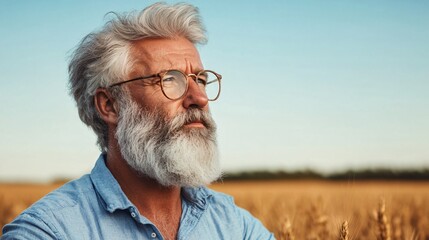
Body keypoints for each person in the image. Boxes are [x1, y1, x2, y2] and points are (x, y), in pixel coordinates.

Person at [1, 2, 274, 240]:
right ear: (110, 105)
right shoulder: (49, 232)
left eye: (200, 79)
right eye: (170, 79)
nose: (200, 97)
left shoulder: (236, 226)